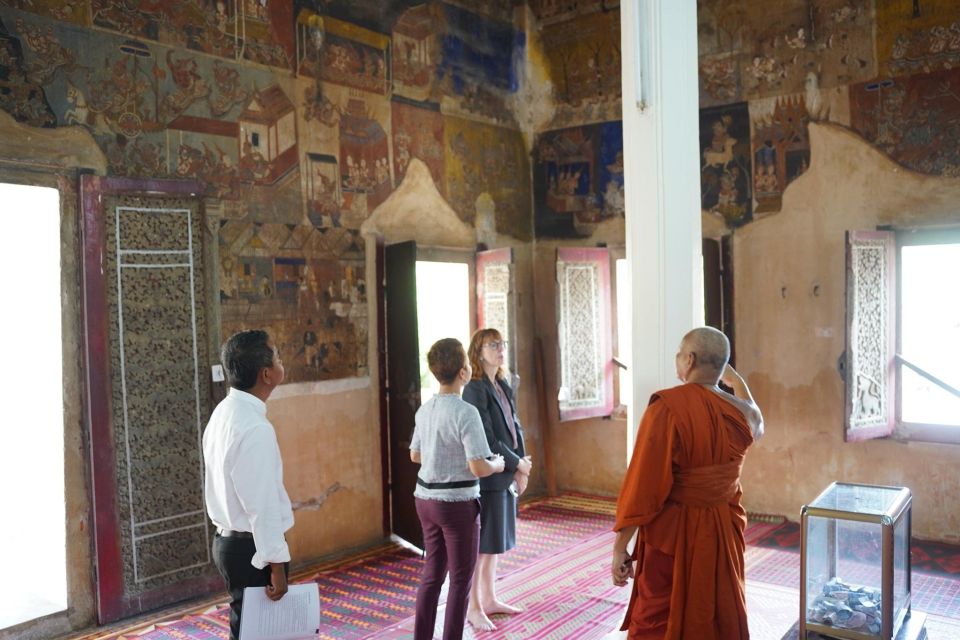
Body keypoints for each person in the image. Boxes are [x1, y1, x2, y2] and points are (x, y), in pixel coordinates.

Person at [611, 327, 764, 640]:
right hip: (721, 527)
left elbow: (644, 487)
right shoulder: (744, 413)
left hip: (675, 533)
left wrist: (619, 547)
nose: (677, 361)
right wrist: (736, 382)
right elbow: (759, 420)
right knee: (716, 606)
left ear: (690, 360)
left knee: (659, 615)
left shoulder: (668, 409)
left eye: (679, 355)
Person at [410, 338, 506, 640]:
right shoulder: (466, 412)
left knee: (432, 575)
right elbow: (479, 466)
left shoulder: (425, 410)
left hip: (424, 500)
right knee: (461, 579)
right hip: (456, 505)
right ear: (464, 372)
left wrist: (439, 455)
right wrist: (499, 465)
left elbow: (415, 455)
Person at [203, 330, 294, 640]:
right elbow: (262, 504)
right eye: (278, 357)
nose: (282, 362)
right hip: (251, 548)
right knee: (262, 633)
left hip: (230, 543)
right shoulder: (254, 427)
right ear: (267, 374)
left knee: (248, 631)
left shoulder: (225, 412)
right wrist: (277, 565)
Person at [462, 328, 533, 631]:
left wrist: (522, 464)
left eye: (502, 343)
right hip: (490, 475)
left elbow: (515, 426)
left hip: (507, 472)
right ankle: (474, 607)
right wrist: (518, 465)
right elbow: (487, 438)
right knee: (483, 546)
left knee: (495, 545)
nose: (500, 349)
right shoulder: (475, 388)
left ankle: (489, 598)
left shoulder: (501, 383)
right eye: (493, 345)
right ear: (478, 352)